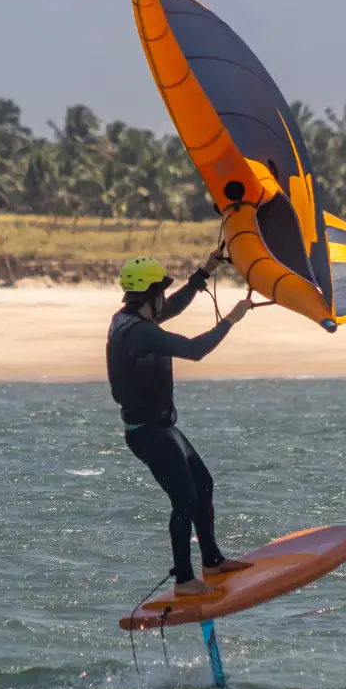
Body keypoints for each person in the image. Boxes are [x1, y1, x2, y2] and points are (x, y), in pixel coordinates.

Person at [106, 249, 255, 595]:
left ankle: (213, 561)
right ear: (150, 295)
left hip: (161, 428)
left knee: (202, 485)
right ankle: (185, 580)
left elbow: (172, 307)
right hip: (147, 433)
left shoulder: (132, 317)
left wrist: (204, 273)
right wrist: (231, 319)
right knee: (185, 500)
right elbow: (195, 349)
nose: (164, 299)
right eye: (161, 291)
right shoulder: (141, 333)